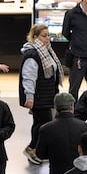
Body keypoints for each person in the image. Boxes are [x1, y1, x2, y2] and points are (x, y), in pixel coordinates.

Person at [19, 23, 64, 165]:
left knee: (39, 123)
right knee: (43, 124)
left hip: (47, 95)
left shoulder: (46, 51)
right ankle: (32, 149)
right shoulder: (32, 54)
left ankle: (35, 150)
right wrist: (30, 97)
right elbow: (28, 77)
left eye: (48, 35)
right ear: (35, 37)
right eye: (44, 36)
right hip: (39, 97)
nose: (47, 39)